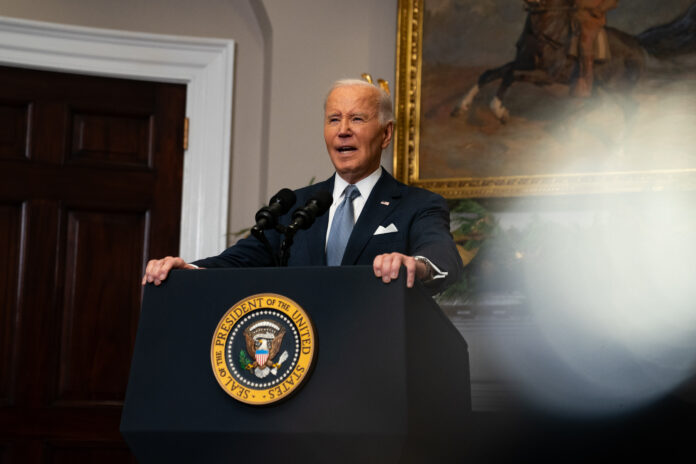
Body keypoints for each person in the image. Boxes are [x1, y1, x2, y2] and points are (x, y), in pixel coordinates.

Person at [142, 79, 463, 294]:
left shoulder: (418, 204)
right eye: (334, 119)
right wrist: (190, 269)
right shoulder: (296, 207)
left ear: (386, 134)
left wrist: (415, 266)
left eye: (357, 119)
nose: (343, 131)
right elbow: (240, 260)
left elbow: (442, 256)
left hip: (374, 359)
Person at [572, 0, 619, 97]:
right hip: (575, 16)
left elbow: (612, 2)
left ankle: (587, 85)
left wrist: (598, 10)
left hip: (591, 20)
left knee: (585, 44)